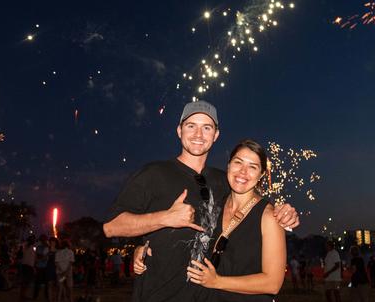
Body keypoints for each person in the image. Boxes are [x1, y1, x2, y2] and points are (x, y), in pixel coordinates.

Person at [104, 101, 300, 301]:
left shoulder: (224, 181)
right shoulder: (153, 174)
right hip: (158, 295)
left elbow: (251, 199)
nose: (198, 135)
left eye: (206, 128)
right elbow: (111, 227)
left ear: (216, 135)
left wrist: (285, 212)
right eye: (191, 126)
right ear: (179, 130)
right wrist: (163, 219)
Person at [184, 140, 286, 300]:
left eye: (253, 167)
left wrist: (217, 281)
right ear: (229, 165)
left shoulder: (269, 217)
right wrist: (145, 245)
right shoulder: (215, 205)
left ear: (261, 175)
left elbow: (273, 283)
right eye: (238, 163)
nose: (243, 172)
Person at [33, 234, 50, 300]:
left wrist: (40, 258)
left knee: (39, 282)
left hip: (41, 266)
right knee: (42, 282)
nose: (44, 241)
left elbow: (40, 257)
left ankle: (36, 295)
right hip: (42, 266)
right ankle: (43, 296)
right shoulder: (42, 247)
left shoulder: (42, 247)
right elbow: (41, 257)